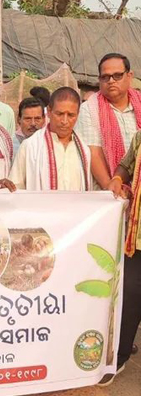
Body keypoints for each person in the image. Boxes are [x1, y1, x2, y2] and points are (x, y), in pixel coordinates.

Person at [105, 125, 141, 386]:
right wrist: (117, 178)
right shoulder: (140, 137)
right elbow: (126, 166)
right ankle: (119, 356)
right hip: (137, 238)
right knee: (129, 296)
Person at [75, 53, 141, 190]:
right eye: (105, 77)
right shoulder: (90, 108)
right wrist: (111, 189)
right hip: (107, 191)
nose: (111, 81)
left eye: (117, 75)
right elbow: (93, 153)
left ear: (129, 76)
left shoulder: (139, 102)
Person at [9, 87, 91, 191]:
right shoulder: (30, 146)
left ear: (78, 114)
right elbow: (16, 187)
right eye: (59, 114)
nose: (64, 121)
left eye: (71, 115)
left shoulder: (84, 151)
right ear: (48, 111)